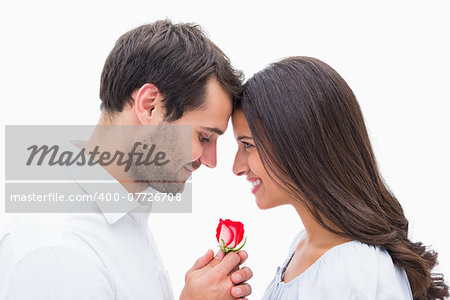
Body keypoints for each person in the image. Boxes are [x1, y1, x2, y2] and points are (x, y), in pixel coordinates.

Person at [0, 20, 252, 300]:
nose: (211, 161)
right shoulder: (59, 246)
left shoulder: (124, 220)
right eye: (204, 137)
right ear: (150, 106)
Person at [231, 56, 448, 299]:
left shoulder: (355, 267)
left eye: (247, 145)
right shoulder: (303, 246)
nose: (236, 167)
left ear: (299, 142)